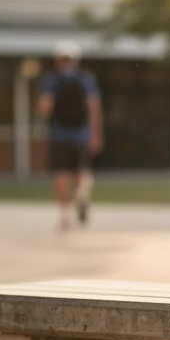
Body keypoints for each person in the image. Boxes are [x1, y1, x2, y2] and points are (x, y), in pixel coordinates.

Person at [38, 42, 104, 229]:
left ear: (57, 59)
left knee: (61, 173)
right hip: (82, 133)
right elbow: (94, 107)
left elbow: (45, 107)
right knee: (82, 170)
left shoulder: (51, 79)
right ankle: (82, 193)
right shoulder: (86, 79)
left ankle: (64, 215)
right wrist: (96, 133)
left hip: (59, 133)